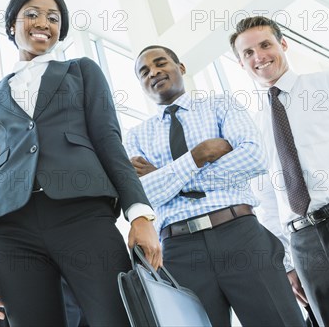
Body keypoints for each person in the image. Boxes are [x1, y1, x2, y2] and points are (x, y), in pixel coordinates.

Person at [0, 0, 162, 327]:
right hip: (9, 229)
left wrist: (140, 214)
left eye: (53, 18)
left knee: (118, 318)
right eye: (32, 14)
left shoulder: (82, 71)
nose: (43, 23)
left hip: (82, 215)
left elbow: (109, 142)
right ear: (12, 25)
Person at [125, 45, 306, 326]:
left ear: (181, 68)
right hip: (179, 252)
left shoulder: (222, 105)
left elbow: (253, 158)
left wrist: (165, 175)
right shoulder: (135, 137)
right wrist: (198, 157)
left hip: (240, 235)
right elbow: (144, 194)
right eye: (144, 72)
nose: (154, 72)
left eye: (161, 63)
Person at [231, 16, 329, 326]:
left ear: (283, 45)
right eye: (248, 53)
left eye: (265, 45)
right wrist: (289, 264)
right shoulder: (254, 126)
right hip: (306, 246)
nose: (259, 57)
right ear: (240, 63)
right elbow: (268, 201)